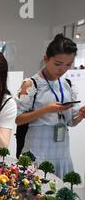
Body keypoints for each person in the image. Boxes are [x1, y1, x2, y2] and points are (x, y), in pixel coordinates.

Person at [15, 34, 85, 178]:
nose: (62, 69)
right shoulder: (31, 84)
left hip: (61, 149)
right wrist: (46, 110)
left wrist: (81, 115)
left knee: (61, 195)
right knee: (35, 191)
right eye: (58, 64)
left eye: (68, 64)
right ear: (46, 58)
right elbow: (18, 119)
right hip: (37, 147)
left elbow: (70, 121)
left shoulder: (67, 85)